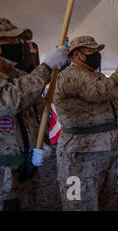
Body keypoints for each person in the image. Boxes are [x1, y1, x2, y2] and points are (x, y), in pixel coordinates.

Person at [54, 36, 118, 211]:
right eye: (92, 51)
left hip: (103, 151)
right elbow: (102, 91)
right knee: (79, 205)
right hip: (80, 156)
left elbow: (114, 97)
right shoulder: (70, 75)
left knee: (102, 202)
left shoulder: (94, 75)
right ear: (78, 55)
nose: (97, 55)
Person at [0, 18, 69, 210]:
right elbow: (9, 101)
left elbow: (39, 112)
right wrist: (46, 67)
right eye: (11, 41)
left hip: (26, 171)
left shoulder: (21, 76)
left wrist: (43, 141)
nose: (18, 45)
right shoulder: (26, 80)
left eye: (19, 41)